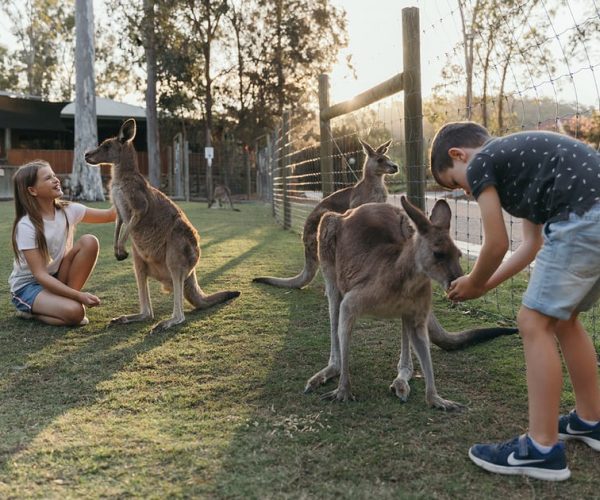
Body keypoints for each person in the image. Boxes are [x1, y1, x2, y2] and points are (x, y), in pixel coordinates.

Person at [429, 121, 600, 481]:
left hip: (582, 218)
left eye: (456, 183)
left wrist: (474, 282)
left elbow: (496, 244)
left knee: (532, 321)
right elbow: (531, 245)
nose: (466, 190)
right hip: (592, 214)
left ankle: (541, 448)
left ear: (458, 155)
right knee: (564, 318)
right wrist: (483, 285)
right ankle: (591, 419)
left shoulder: (481, 162)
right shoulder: (521, 162)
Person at [9, 160, 116, 326]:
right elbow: (40, 275)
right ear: (32, 190)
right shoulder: (26, 225)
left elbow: (110, 215)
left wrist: (131, 190)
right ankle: (30, 310)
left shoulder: (68, 210)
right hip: (29, 287)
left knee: (89, 241)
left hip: (57, 277)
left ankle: (64, 302)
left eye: (54, 175)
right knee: (76, 313)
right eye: (48, 178)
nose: (56, 179)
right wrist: (78, 296)